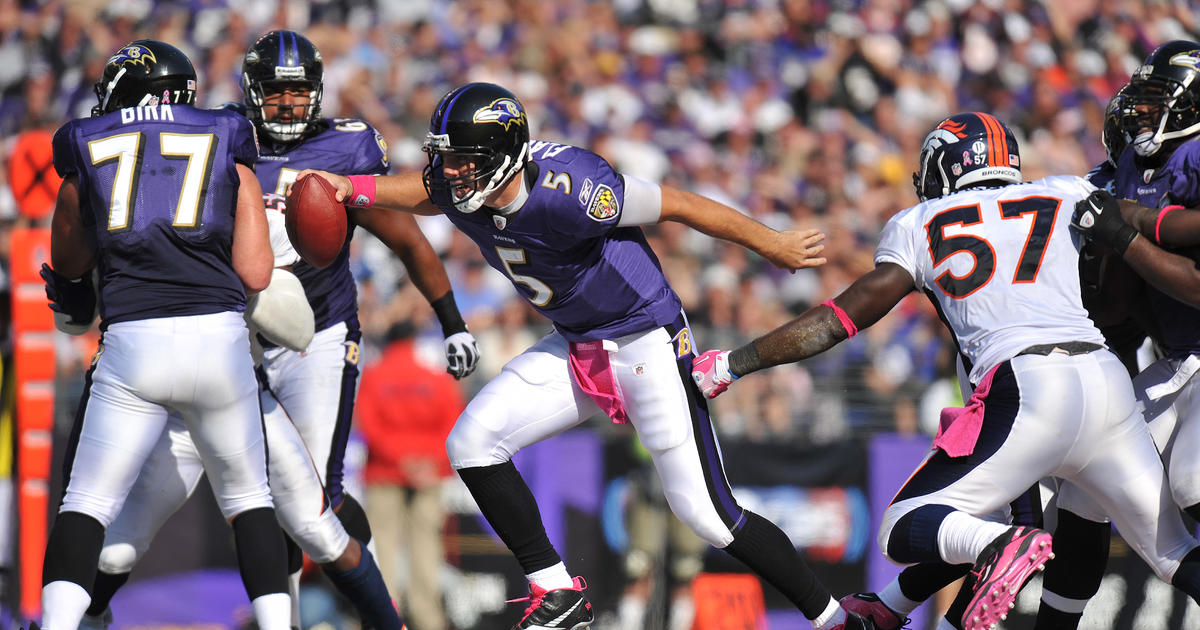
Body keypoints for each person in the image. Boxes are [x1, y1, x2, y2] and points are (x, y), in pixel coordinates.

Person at [302, 82, 881, 630]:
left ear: (503, 156)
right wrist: (356, 189)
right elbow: (423, 192)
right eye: (446, 158)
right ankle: (557, 589)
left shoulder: (572, 190)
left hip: (644, 340)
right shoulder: (461, 183)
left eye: (463, 160)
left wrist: (770, 242)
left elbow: (676, 203)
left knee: (707, 515)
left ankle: (835, 619)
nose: (450, 172)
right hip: (579, 343)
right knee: (472, 442)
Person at [691, 111, 1200, 630]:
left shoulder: (920, 223)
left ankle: (992, 549)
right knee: (1176, 554)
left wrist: (737, 361)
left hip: (1026, 386)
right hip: (1107, 378)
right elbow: (1152, 223)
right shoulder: (1067, 191)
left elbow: (839, 319)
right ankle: (918, 590)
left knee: (902, 526)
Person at [79, 29, 472, 628]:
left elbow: (407, 239)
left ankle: (311, 614)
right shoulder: (217, 134)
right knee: (200, 504)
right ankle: (93, 611)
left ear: (316, 93)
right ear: (249, 92)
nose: (287, 104)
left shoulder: (345, 149)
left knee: (312, 503)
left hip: (314, 334)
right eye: (275, 92)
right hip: (227, 340)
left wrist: (452, 322)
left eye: (298, 92)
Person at [38, 40, 290, 628]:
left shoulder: (85, 141)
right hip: (219, 339)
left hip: (135, 341)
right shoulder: (227, 135)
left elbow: (69, 265)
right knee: (249, 500)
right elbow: (255, 271)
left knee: (87, 506)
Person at [357, 319, 466, 630]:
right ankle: (429, 621)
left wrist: (402, 460)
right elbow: (452, 423)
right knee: (427, 553)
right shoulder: (435, 377)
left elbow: (370, 425)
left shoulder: (375, 376)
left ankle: (383, 621)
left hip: (384, 472)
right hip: (428, 474)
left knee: (383, 552)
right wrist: (425, 462)